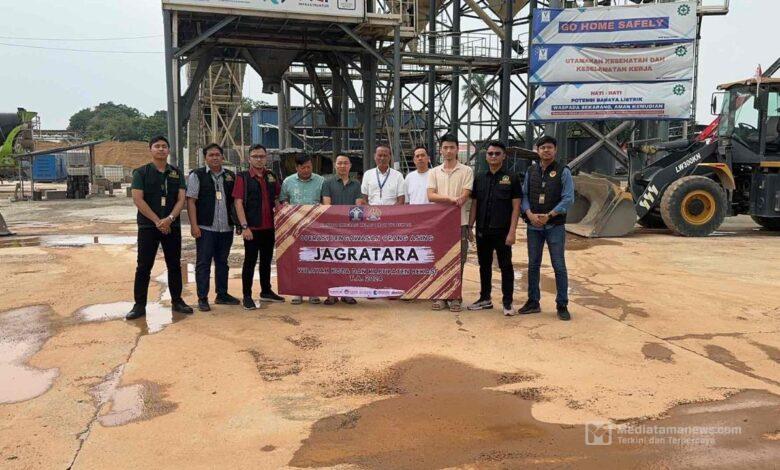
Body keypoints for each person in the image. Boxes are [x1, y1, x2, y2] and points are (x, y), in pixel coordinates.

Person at [126, 136, 193, 320]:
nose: (161, 149)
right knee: (144, 266)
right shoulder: (141, 172)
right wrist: (158, 221)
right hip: (148, 226)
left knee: (174, 264)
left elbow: (181, 199)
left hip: (172, 226)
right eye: (157, 146)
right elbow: (138, 199)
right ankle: (139, 305)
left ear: (168, 150)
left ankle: (177, 301)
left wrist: (169, 219)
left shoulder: (176, 173)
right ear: (151, 150)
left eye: (164, 146)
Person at [519, 136, 574, 321]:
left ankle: (562, 304)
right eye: (542, 147)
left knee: (558, 265)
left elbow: (568, 198)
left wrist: (549, 215)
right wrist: (529, 214)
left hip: (554, 226)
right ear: (538, 150)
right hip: (533, 226)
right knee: (533, 264)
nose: (546, 150)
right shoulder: (531, 171)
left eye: (549, 147)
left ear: (555, 150)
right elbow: (524, 195)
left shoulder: (563, 171)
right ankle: (533, 301)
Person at [467, 141, 521, 316]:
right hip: (483, 230)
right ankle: (485, 298)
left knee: (506, 266)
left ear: (504, 156)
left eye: (497, 153)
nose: (493, 156)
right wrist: (470, 226)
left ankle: (507, 302)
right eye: (490, 153)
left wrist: (512, 231)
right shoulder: (480, 177)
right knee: (484, 265)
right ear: (486, 156)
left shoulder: (512, 178)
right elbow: (475, 204)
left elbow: (516, 207)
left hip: (502, 231)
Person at [186, 143, 241, 312]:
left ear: (222, 157)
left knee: (222, 262)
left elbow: (236, 202)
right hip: (206, 228)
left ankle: (222, 294)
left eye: (218, 154)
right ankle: (202, 297)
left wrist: (238, 223)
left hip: (226, 228)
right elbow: (191, 201)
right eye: (211, 155)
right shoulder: (197, 175)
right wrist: (194, 225)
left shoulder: (230, 176)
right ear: (205, 158)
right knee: (203, 263)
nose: (215, 157)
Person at [233, 144, 285, 310]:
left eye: (262, 156)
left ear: (266, 157)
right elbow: (238, 203)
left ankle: (266, 291)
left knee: (266, 261)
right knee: (249, 262)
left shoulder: (271, 176)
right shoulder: (243, 177)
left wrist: (281, 214)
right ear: (249, 159)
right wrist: (244, 226)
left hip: (269, 227)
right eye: (255, 156)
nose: (259, 159)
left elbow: (277, 198)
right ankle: (247, 296)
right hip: (252, 228)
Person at [427, 133, 474, 312]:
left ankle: (455, 297)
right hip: (439, 224)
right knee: (439, 260)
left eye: (452, 147)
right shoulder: (434, 172)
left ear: (457, 149)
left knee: (459, 261)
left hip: (460, 223)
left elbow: (465, 195)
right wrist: (450, 199)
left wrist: (453, 199)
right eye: (445, 147)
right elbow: (430, 195)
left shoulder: (466, 171)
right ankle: (440, 296)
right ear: (441, 150)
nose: (448, 151)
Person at [280, 154, 325, 305]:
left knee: (314, 260)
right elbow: (283, 200)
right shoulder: (288, 181)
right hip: (294, 227)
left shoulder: (320, 181)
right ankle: (297, 292)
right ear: (297, 167)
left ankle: (313, 291)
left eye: (309, 167)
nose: (307, 170)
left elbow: (325, 201)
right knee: (296, 259)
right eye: (303, 167)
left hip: (315, 227)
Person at [321, 154, 363, 306]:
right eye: (339, 163)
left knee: (350, 261)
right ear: (335, 165)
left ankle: (348, 293)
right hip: (332, 228)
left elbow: (358, 206)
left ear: (350, 166)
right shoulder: (327, 183)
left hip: (351, 230)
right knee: (331, 262)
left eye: (345, 163)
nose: (342, 166)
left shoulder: (356, 184)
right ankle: (331, 294)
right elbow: (327, 206)